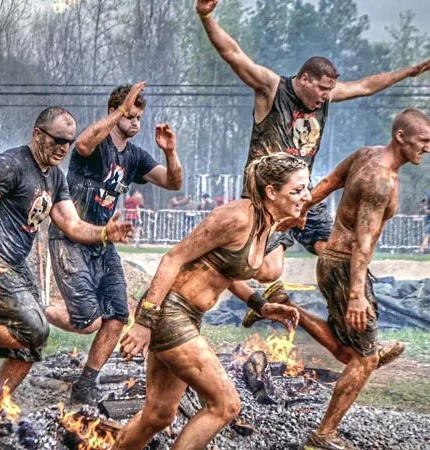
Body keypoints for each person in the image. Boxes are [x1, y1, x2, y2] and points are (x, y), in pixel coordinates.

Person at [195, 0, 430, 291]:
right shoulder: (272, 88)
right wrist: (205, 15)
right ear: (305, 79)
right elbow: (233, 54)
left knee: (337, 251)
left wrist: (407, 72)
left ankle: (346, 308)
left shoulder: (326, 95)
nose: (324, 97)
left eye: (329, 91)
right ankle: (221, 262)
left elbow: (366, 86)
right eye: (321, 89)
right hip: (267, 197)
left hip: (303, 194)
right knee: (270, 271)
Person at [0, 107, 133, 419]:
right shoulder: (10, 164)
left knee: (27, 347)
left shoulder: (55, 178)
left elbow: (72, 225)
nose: (64, 148)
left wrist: (105, 232)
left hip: (17, 266)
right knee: (35, 330)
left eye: (69, 142)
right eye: (58, 140)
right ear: (38, 134)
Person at [113, 153, 306, 450]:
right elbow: (173, 258)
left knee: (159, 415)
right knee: (226, 404)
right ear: (271, 192)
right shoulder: (237, 217)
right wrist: (144, 322)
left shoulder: (265, 225)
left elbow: (229, 272)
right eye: (297, 190)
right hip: (168, 312)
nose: (306, 196)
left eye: (306, 188)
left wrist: (261, 305)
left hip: (187, 317)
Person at [295, 109, 428, 449]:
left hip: (334, 263)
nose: (427, 148)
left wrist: (296, 212)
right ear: (401, 136)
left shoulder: (366, 154)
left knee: (351, 351)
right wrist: (357, 293)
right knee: (364, 358)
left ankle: (285, 306)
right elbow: (363, 241)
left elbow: (326, 184)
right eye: (423, 140)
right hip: (344, 267)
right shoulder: (380, 180)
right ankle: (323, 435)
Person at [45, 82, 183, 405]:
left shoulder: (134, 157)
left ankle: (85, 384)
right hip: (71, 237)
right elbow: (81, 143)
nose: (135, 123)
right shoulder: (96, 144)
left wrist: (170, 151)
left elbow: (173, 182)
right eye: (129, 116)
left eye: (138, 118)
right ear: (114, 112)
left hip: (104, 242)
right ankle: (40, 314)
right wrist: (119, 113)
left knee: (119, 316)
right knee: (89, 321)